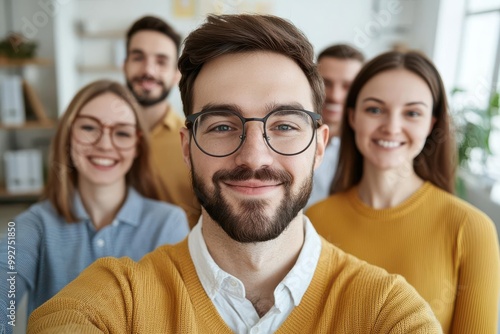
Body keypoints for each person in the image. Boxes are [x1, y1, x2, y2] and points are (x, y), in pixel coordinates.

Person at [27, 15, 442, 333]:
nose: (254, 156)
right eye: (223, 126)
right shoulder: (118, 297)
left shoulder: (388, 311)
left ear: (319, 144)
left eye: (284, 125)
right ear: (187, 146)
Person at [306, 51, 500, 333]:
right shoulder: (315, 220)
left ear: (431, 124)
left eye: (412, 113)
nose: (391, 127)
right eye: (375, 109)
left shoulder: (470, 229)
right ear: (352, 117)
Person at [0, 80, 189, 334]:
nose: (104, 144)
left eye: (121, 132)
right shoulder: (32, 226)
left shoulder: (169, 223)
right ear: (68, 136)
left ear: (137, 145)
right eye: (89, 127)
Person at [123, 15, 201, 227]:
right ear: (124, 65)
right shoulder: (102, 137)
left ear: (177, 75)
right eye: (138, 57)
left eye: (161, 61)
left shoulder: (195, 141)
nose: (148, 70)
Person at [307, 44, 364, 207]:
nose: (335, 96)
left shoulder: (368, 149)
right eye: (326, 83)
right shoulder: (288, 134)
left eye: (348, 86)